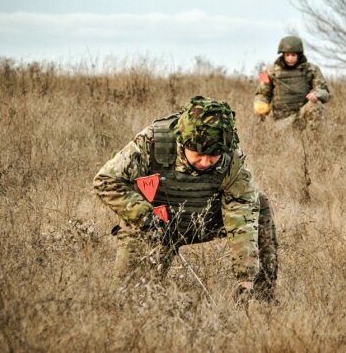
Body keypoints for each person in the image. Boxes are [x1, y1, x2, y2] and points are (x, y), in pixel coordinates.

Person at [93, 96, 278, 302]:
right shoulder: (153, 141)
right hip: (154, 224)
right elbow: (106, 181)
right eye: (198, 154)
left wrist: (246, 278)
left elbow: (241, 212)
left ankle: (262, 298)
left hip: (203, 219)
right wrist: (144, 217)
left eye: (214, 155)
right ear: (183, 141)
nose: (206, 162)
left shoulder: (230, 157)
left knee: (259, 203)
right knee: (127, 298)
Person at [254, 35, 331, 128]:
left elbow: (324, 91)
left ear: (299, 55)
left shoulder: (312, 69)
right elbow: (261, 94)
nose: (290, 58)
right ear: (283, 55)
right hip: (281, 122)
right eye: (287, 55)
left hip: (303, 115)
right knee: (259, 109)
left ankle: (315, 140)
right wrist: (261, 103)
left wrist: (316, 95)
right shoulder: (269, 71)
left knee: (315, 104)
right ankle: (261, 134)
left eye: (293, 55)